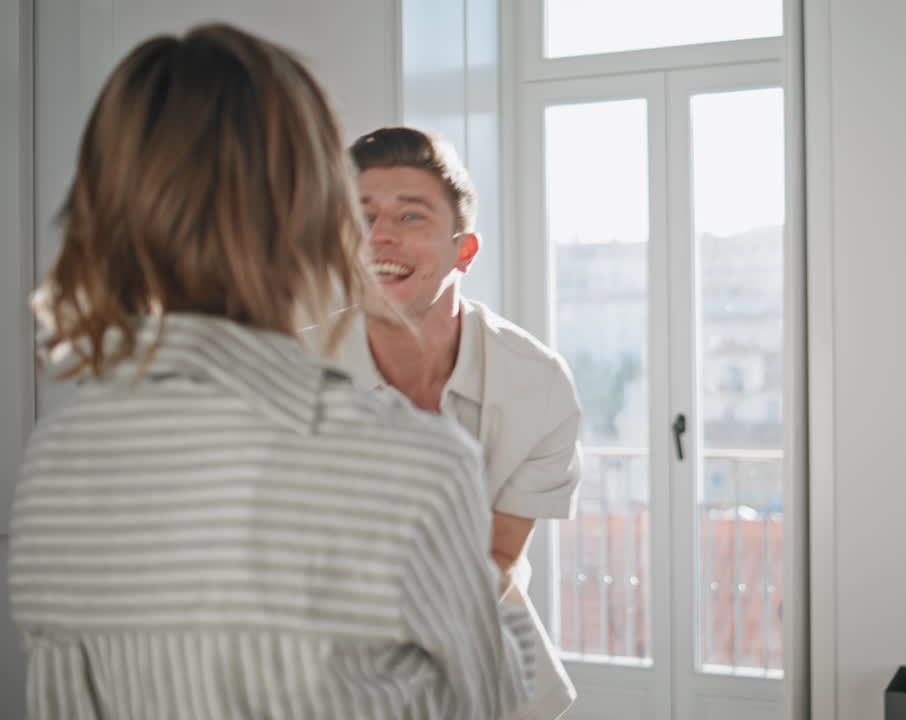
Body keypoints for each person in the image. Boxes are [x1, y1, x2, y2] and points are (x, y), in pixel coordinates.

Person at [8, 24, 536, 720]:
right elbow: (491, 703)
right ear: (319, 213)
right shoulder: (410, 466)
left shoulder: (54, 465)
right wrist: (502, 606)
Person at [314, 127, 582, 720]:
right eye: (362, 217)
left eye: (410, 217)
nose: (379, 235)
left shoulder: (536, 385)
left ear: (465, 250)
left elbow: (497, 555)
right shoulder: (290, 375)